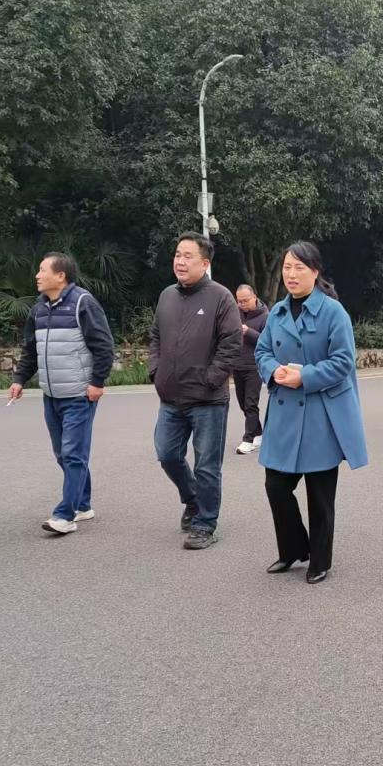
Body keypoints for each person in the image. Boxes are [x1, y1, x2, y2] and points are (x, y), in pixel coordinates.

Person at [254, 241, 368, 584]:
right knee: (276, 485)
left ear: (315, 272)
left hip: (321, 413)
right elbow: (261, 351)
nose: (291, 274)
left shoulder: (333, 312)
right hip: (285, 412)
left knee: (319, 495)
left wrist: (304, 375)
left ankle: (320, 560)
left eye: (299, 268)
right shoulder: (277, 312)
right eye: (287, 267)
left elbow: (343, 362)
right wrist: (273, 370)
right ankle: (293, 549)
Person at [9, 252, 114, 534]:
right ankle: (83, 504)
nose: (37, 275)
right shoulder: (38, 309)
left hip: (79, 394)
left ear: (60, 276)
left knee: (72, 453)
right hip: (51, 394)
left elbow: (104, 346)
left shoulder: (83, 303)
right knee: (63, 453)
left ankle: (65, 515)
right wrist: (19, 379)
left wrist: (97, 382)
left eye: (42, 270)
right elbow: (31, 350)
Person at [149, 233, 241, 549]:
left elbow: (231, 343)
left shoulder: (221, 297)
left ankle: (205, 524)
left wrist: (211, 379)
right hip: (170, 398)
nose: (180, 261)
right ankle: (192, 499)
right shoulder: (167, 296)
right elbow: (156, 337)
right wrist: (155, 371)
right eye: (178, 254)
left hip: (208, 400)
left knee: (207, 466)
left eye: (188, 256)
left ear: (205, 263)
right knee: (167, 454)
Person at [233, 284, 269, 454]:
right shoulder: (235, 313)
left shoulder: (266, 316)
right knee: (243, 404)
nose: (242, 304)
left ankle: (248, 440)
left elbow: (268, 341)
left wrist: (249, 332)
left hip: (255, 366)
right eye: (239, 301)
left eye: (245, 301)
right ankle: (258, 433)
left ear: (254, 297)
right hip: (237, 365)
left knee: (250, 403)